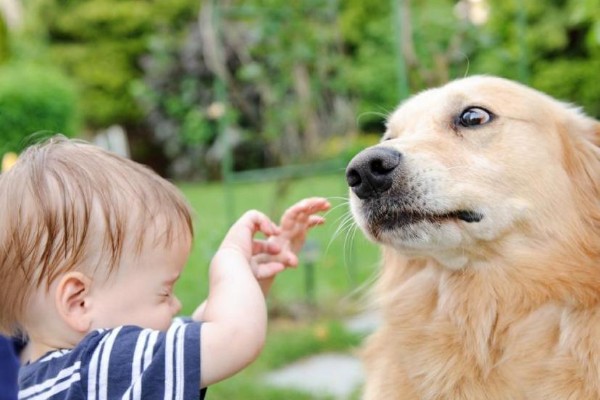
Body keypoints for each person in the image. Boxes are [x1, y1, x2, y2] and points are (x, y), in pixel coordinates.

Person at [0, 135, 330, 399]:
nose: (177, 304)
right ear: (79, 301)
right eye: (164, 292)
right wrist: (230, 259)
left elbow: (200, 329)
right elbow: (233, 336)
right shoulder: (99, 367)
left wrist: (251, 276)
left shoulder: (44, 378)